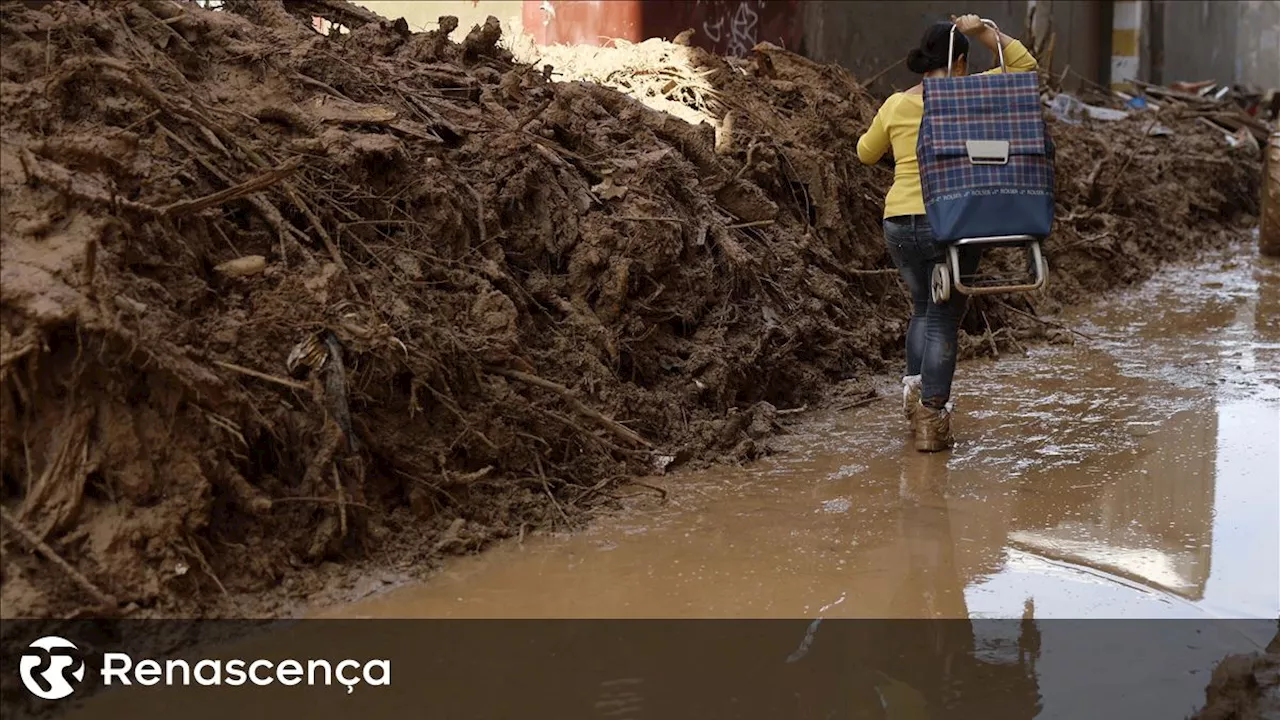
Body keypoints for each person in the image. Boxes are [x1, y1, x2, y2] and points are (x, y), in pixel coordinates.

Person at [856, 14, 1038, 452]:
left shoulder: (897, 104)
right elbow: (1026, 65)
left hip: (899, 225)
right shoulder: (973, 94)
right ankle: (931, 421)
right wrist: (981, 31)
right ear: (960, 64)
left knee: (922, 306)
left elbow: (865, 152)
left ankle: (914, 401)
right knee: (942, 318)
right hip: (952, 223)